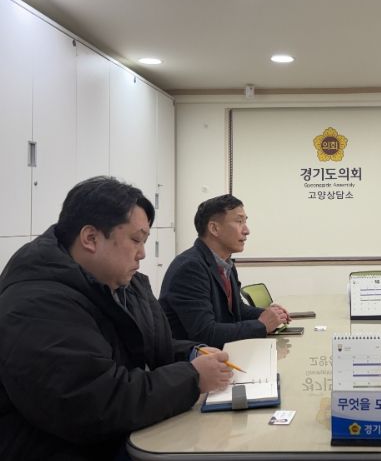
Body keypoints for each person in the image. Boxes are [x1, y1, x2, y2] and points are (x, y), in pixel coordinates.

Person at [0, 176, 233, 460]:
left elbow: (148, 347)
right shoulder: (37, 304)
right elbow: (96, 403)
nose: (142, 253)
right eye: (136, 240)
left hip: (125, 435)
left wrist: (193, 353)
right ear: (90, 238)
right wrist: (192, 378)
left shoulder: (119, 283)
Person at [159, 194, 290, 349]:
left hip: (221, 353)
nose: (246, 230)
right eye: (239, 221)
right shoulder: (190, 267)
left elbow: (237, 310)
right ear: (214, 228)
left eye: (245, 221)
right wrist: (262, 325)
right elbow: (205, 333)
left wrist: (270, 314)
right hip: (195, 360)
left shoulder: (226, 263)